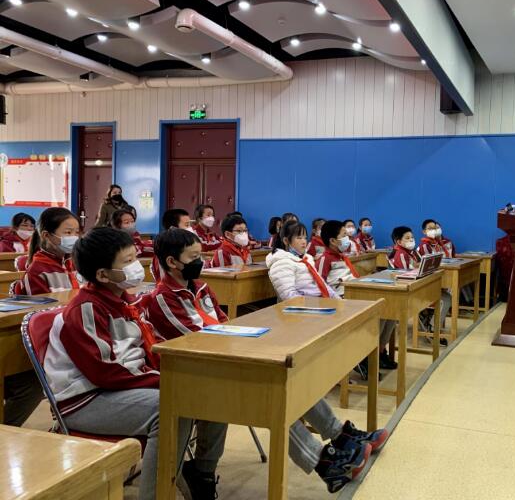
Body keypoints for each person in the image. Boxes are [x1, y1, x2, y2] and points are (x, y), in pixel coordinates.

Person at [44, 228, 227, 500]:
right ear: (103, 275)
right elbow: (105, 372)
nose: (136, 266)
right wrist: (161, 379)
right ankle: (156, 494)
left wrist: (174, 373)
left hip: (124, 388)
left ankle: (201, 473)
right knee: (170, 406)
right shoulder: (86, 309)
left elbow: (149, 347)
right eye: (128, 261)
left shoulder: (125, 300)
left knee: (213, 387)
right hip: (85, 399)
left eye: (135, 258)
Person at [265, 219, 389, 491]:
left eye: (305, 237)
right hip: (297, 324)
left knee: (301, 386)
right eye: (298, 237)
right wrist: (322, 305)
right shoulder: (281, 263)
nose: (304, 241)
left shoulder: (306, 259)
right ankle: (327, 458)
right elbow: (290, 297)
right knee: (287, 391)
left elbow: (325, 287)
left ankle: (341, 435)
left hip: (316, 314)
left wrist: (341, 306)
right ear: (285, 241)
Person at [316, 220, 397, 377]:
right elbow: (320, 285)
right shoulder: (325, 259)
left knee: (390, 311)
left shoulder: (342, 257)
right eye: (344, 235)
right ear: (332, 240)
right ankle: (364, 355)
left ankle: (379, 351)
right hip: (340, 301)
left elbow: (353, 278)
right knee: (377, 315)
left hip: (354, 294)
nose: (347, 238)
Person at [390, 226, 450, 346]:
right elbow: (406, 276)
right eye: (407, 238)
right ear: (398, 241)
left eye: (412, 237)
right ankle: (432, 329)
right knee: (445, 298)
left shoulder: (412, 252)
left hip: (420, 285)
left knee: (445, 295)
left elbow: (420, 265)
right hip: (410, 291)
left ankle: (429, 322)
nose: (411, 240)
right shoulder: (400, 254)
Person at [22, 207, 81, 295]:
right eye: (68, 232)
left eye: (76, 232)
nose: (74, 237)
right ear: (46, 235)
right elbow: (41, 304)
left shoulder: (74, 263)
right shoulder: (37, 271)